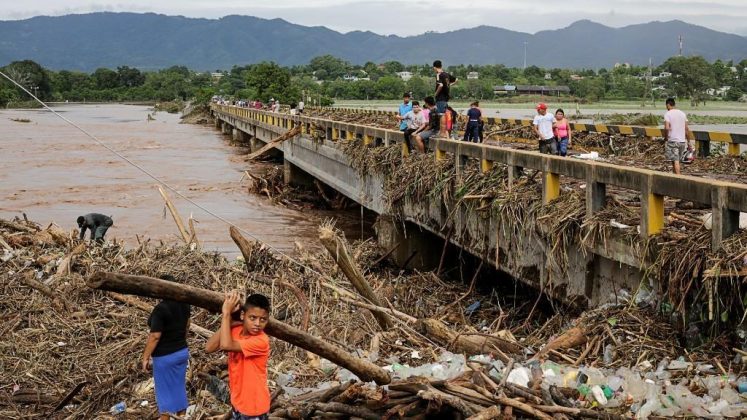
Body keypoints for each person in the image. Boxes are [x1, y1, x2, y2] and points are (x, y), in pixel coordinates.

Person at [206, 291, 271, 420]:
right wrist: (229, 322)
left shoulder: (261, 341)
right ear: (243, 315)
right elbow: (209, 348)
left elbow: (225, 345)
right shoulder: (236, 331)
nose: (257, 324)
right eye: (252, 318)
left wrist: (226, 313)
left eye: (262, 319)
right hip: (238, 403)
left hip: (254, 408)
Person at [141, 274, 191, 420]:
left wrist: (145, 357)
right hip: (181, 352)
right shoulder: (185, 304)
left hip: (165, 358)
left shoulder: (160, 309)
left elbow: (155, 336)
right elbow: (187, 325)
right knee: (178, 388)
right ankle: (182, 416)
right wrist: (180, 341)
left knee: (164, 396)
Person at [663, 97, 693, 174]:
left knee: (675, 161)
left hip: (673, 141)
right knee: (676, 161)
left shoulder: (668, 114)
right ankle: (675, 176)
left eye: (666, 106)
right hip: (682, 142)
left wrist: (666, 138)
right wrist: (689, 142)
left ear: (668, 105)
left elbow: (666, 128)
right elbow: (686, 129)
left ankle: (678, 179)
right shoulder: (682, 114)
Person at [433, 60, 451, 137]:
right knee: (442, 114)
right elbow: (455, 80)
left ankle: (442, 133)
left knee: (441, 115)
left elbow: (440, 85)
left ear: (434, 67)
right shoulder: (446, 74)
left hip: (440, 98)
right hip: (446, 97)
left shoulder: (439, 75)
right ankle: (442, 133)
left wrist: (435, 94)